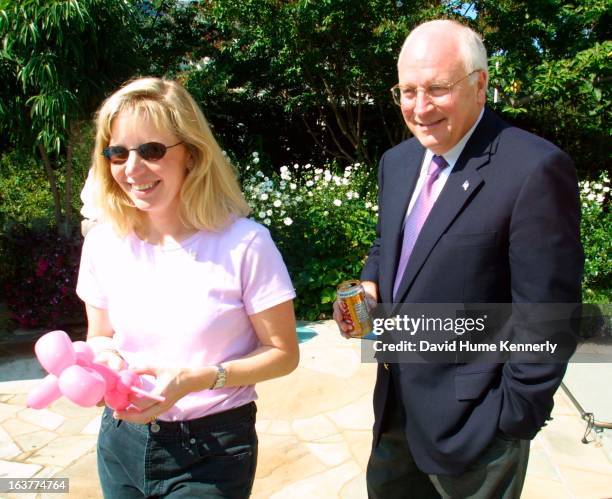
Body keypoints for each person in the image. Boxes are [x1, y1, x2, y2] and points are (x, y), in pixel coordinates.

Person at [333, 19, 583, 499]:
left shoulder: (533, 168)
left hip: (477, 431)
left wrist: (512, 418)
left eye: (437, 88)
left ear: (480, 84)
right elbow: (390, 245)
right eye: (407, 91)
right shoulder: (398, 161)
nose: (420, 107)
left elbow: (549, 317)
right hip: (395, 411)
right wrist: (368, 286)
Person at [76, 77, 299, 498]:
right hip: (121, 440)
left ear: (192, 156)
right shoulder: (103, 242)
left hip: (211, 450)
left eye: (152, 151)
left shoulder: (245, 244)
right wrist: (104, 368)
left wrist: (199, 379)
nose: (132, 168)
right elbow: (100, 335)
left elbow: (283, 354)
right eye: (118, 152)